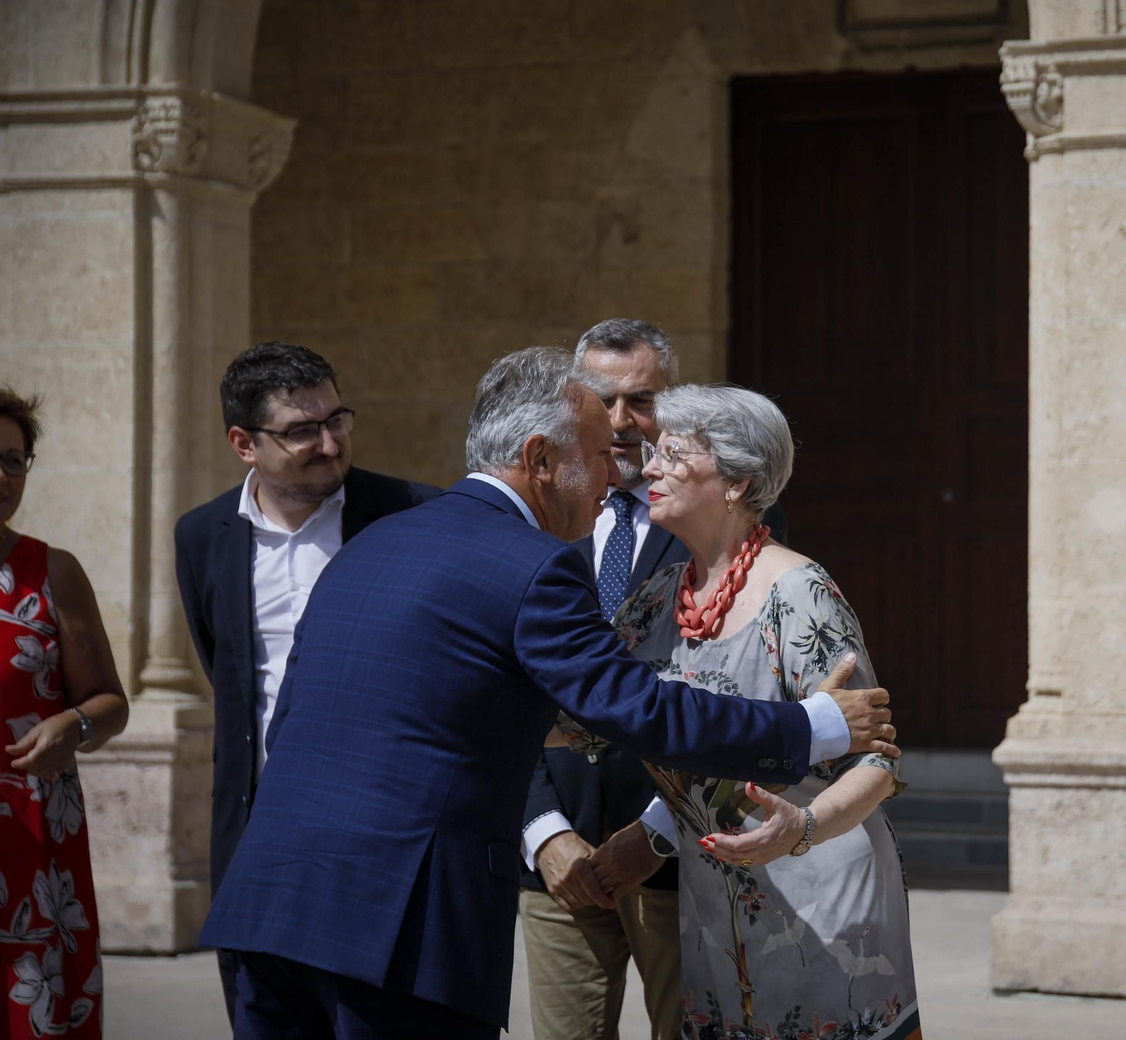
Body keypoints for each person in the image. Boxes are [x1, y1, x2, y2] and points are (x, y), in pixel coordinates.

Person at [197, 347, 898, 1040]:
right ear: (538, 460)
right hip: (395, 927)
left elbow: (331, 719)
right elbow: (637, 708)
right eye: (597, 455)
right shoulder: (534, 567)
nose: (616, 474)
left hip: (267, 907)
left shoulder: (371, 545)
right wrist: (812, 727)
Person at [565, 385, 920, 1040]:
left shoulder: (801, 593)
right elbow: (584, 711)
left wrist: (805, 824)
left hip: (824, 899)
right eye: (655, 453)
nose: (650, 469)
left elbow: (879, 762)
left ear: (737, 483)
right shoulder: (656, 600)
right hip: (715, 908)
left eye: (673, 454)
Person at [519, 318, 788, 1040]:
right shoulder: (537, 510)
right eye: (600, 400)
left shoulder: (720, 519)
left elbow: (749, 685)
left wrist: (657, 833)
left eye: (641, 401)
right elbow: (502, 684)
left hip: (681, 855)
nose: (620, 422)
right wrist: (542, 831)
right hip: (557, 855)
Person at [173, 342, 437, 1023]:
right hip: (257, 840)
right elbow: (226, 670)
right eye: (301, 430)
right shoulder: (202, 536)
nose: (328, 442)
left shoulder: (408, 517)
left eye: (336, 419)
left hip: (379, 841)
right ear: (243, 443)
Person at [0, 386, 129, 1039]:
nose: (1, 475)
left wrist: (72, 725)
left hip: (31, 851)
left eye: (14, 460)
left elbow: (110, 702)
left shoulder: (52, 572)